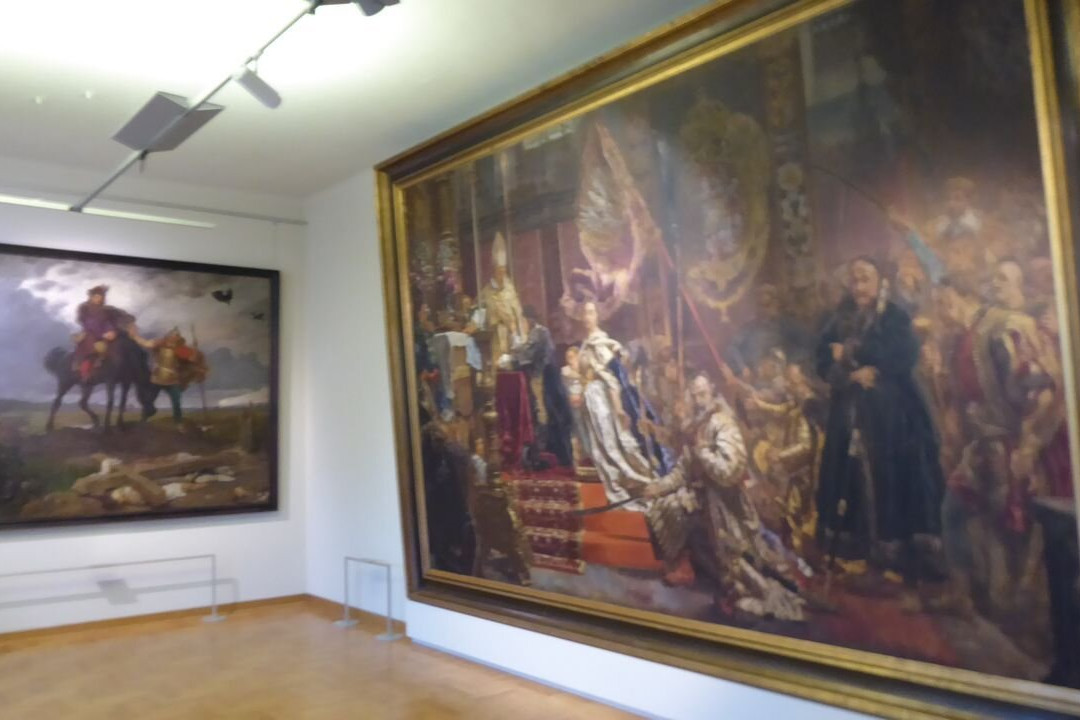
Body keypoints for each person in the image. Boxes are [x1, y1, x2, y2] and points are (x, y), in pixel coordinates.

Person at [935, 276, 1069, 619]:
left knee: (1011, 524)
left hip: (1011, 443)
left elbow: (1040, 388)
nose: (940, 309)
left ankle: (1018, 609)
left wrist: (1028, 445)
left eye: (945, 300)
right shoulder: (960, 339)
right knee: (955, 509)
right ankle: (965, 594)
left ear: (964, 295)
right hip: (983, 445)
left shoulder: (1002, 330)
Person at [815, 257, 945, 594]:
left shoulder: (895, 316)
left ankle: (895, 557)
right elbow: (821, 358)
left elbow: (903, 353)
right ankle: (858, 552)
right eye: (854, 280)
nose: (859, 286)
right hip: (850, 410)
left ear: (880, 281)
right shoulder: (839, 318)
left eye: (865, 279)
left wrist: (853, 354)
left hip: (892, 414)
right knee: (850, 478)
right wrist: (848, 373)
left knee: (892, 477)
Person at [644, 372, 807, 620]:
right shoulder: (697, 425)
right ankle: (687, 569)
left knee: (738, 562)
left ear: (711, 390)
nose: (698, 399)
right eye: (694, 395)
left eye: (702, 393)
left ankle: (737, 588)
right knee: (664, 507)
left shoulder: (723, 422)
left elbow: (730, 471)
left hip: (726, 504)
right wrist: (660, 487)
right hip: (703, 499)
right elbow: (684, 470)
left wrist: (704, 454)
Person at [512, 305, 572, 467]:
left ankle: (543, 453)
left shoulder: (538, 332)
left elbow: (526, 353)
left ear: (528, 320)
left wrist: (513, 353)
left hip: (545, 377)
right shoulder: (539, 332)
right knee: (544, 412)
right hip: (547, 377)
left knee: (542, 412)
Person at [135, 328, 207, 427]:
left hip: (171, 380)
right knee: (149, 400)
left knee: (176, 401)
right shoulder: (159, 344)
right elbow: (146, 344)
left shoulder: (179, 349)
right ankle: (144, 419)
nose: (173, 338)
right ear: (168, 337)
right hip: (158, 378)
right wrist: (134, 336)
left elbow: (192, 358)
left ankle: (178, 423)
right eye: (171, 336)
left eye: (175, 336)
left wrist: (194, 351)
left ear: (177, 338)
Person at [480, 232, 525, 365]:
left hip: (512, 334)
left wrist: (518, 329)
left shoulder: (510, 288)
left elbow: (517, 311)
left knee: (512, 364)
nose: (501, 274)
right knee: (498, 366)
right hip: (496, 335)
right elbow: (484, 311)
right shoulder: (487, 291)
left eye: (503, 271)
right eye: (499, 271)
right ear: (494, 271)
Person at [73, 285, 134, 382]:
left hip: (107, 334)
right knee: (91, 348)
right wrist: (103, 334)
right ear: (91, 297)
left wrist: (113, 330)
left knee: (123, 343)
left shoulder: (107, 309)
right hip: (90, 334)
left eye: (101, 297)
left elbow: (112, 321)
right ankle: (85, 372)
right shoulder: (84, 308)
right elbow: (88, 323)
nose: (99, 299)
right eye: (97, 297)